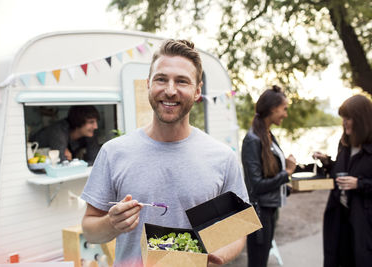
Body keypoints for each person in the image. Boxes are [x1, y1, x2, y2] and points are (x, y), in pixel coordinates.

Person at [80, 39, 249, 267]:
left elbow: (237, 229)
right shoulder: (114, 152)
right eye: (161, 79)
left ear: (198, 91)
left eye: (182, 81)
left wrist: (216, 256)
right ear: (148, 84)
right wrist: (112, 223)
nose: (170, 91)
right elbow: (90, 231)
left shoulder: (222, 157)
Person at [313, 95, 372, 267]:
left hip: (364, 222)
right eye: (343, 118)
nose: (344, 122)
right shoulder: (345, 143)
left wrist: (359, 184)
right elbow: (341, 173)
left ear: (361, 120)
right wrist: (327, 162)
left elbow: (357, 178)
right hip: (339, 218)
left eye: (348, 118)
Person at [241, 86, 297, 267]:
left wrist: (287, 188)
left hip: (270, 210)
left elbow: (268, 176)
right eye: (284, 109)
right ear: (273, 108)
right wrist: (286, 173)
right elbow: (256, 185)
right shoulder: (252, 140)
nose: (286, 114)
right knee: (258, 262)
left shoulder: (268, 135)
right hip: (259, 213)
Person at [29, 105, 100, 165]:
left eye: (96, 122)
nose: (96, 127)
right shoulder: (58, 131)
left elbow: (96, 162)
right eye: (91, 122)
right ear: (78, 121)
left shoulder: (89, 133)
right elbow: (62, 164)